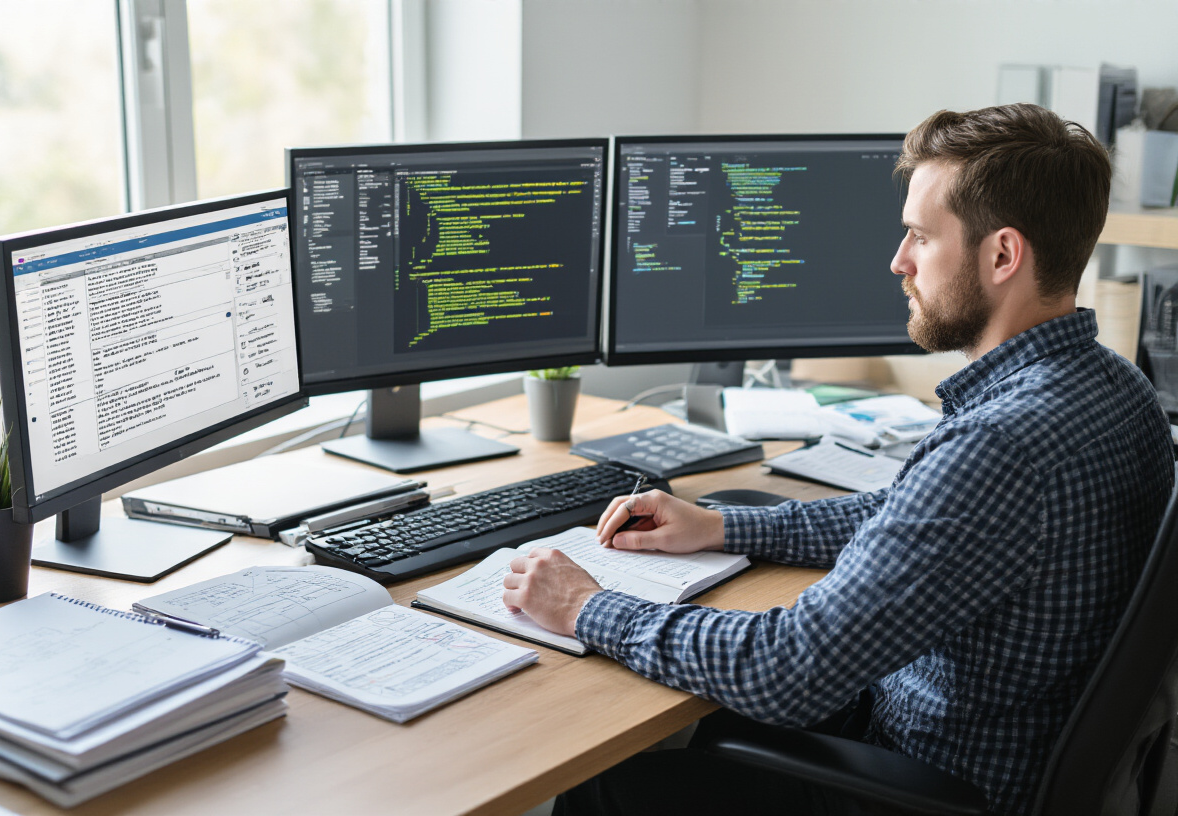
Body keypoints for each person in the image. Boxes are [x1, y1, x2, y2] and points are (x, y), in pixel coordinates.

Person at [502, 104, 1175, 815]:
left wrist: (586, 606)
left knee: (612, 786)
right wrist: (725, 526)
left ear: (1002, 255)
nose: (899, 261)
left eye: (920, 236)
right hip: (1009, 756)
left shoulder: (999, 446)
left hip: (928, 782)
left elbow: (787, 669)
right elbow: (909, 517)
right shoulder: (1116, 388)